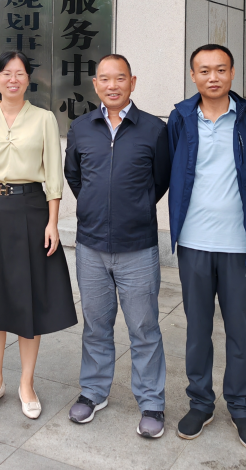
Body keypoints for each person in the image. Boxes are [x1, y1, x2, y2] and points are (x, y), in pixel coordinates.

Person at [0, 51, 77, 420]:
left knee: (28, 299)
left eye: (20, 73)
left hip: (31, 211)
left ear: (28, 80)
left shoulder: (44, 119)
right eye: (7, 73)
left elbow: (53, 176)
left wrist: (53, 223)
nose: (13, 79)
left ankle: (26, 383)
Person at [167, 44, 246, 451]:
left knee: (239, 332)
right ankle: (200, 403)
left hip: (238, 245)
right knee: (197, 331)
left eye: (220, 69)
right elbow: (170, 168)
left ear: (232, 73)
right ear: (193, 75)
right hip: (194, 243)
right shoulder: (180, 118)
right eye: (204, 70)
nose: (212, 77)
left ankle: (242, 408)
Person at [64, 54, 171, 439]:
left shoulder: (154, 130)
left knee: (143, 327)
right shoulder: (81, 128)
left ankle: (152, 402)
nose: (113, 86)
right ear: (96, 84)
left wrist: (133, 208)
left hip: (137, 247)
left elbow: (160, 180)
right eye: (105, 79)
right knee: (96, 324)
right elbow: (74, 176)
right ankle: (93, 392)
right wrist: (97, 208)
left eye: (120, 78)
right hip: (91, 246)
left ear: (132, 82)